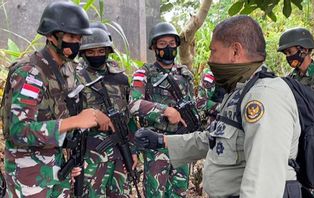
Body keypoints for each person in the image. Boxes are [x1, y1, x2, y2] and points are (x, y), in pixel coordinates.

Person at [135, 15, 302, 198]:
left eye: (213, 51)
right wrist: (162, 141)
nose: (209, 59)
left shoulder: (263, 97)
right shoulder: (240, 91)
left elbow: (263, 177)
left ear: (235, 51)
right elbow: (216, 139)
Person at [0, 2, 113, 197]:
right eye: (70, 36)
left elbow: (62, 112)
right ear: (51, 36)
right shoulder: (30, 72)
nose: (76, 43)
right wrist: (74, 121)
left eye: (79, 37)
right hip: (29, 173)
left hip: (59, 166)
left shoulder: (68, 68)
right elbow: (18, 131)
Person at [129, 22, 195, 197]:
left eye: (172, 43)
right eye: (162, 44)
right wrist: (165, 110)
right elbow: (133, 104)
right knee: (155, 193)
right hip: (155, 145)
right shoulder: (144, 74)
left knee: (179, 192)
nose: (168, 48)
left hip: (181, 143)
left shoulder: (185, 74)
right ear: (154, 47)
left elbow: (194, 105)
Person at [77, 26, 138, 197]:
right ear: (83, 53)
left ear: (108, 50)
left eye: (100, 50)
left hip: (120, 149)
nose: (97, 55)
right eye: (91, 52)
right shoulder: (76, 78)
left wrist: (132, 150)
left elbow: (130, 118)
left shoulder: (120, 78)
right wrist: (94, 116)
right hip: (91, 154)